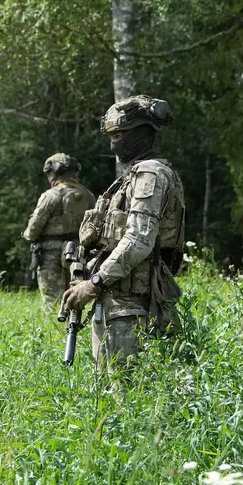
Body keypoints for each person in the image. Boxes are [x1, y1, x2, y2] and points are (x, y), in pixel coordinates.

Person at [62, 95, 186, 374]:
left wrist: (93, 284)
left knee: (126, 395)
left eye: (119, 135)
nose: (113, 143)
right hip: (118, 303)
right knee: (113, 396)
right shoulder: (133, 176)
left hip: (132, 307)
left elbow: (139, 239)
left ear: (142, 133)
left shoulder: (150, 175)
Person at [22, 153, 96, 307]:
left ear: (53, 173)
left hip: (50, 254)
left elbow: (33, 229)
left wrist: (28, 236)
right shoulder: (87, 195)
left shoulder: (50, 196)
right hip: (78, 252)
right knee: (75, 296)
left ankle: (53, 330)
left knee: (51, 300)